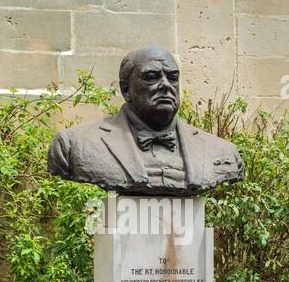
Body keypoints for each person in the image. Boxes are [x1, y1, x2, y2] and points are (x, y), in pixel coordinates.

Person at [48, 46, 244, 196]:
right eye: (151, 77)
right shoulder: (75, 145)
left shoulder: (222, 151)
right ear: (126, 90)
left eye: (173, 77)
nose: (166, 85)